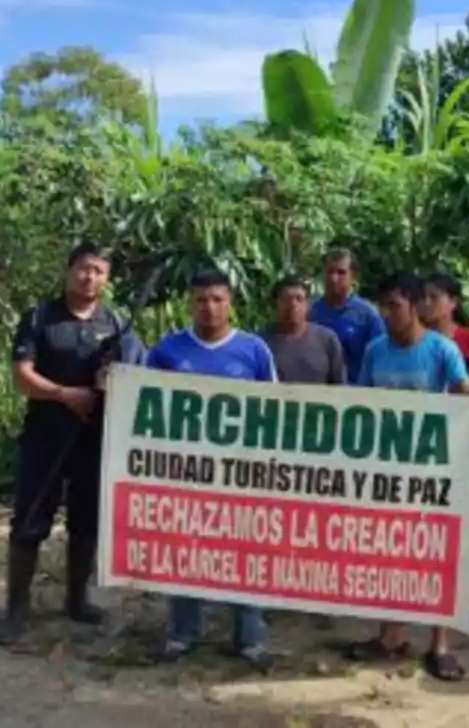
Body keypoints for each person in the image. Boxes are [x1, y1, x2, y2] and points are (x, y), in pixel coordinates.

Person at [0, 241, 147, 646]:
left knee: (86, 523)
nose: (89, 277)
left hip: (93, 442)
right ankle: (16, 612)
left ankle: (77, 601)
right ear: (68, 270)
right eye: (83, 268)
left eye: (98, 270)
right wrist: (64, 394)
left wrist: (111, 379)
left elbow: (134, 377)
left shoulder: (115, 325)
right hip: (45, 438)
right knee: (29, 523)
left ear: (106, 278)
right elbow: (22, 376)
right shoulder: (41, 318)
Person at [343, 271, 469, 682]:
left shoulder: (441, 350)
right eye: (383, 307)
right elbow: (363, 402)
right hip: (389, 474)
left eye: (394, 305)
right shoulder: (375, 351)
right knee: (391, 555)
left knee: (435, 555)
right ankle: (390, 636)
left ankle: (439, 644)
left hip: (433, 474)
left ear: (414, 306)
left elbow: (464, 392)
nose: (387, 314)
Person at [146, 269, 278, 672]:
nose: (209, 307)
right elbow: (143, 401)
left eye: (217, 299)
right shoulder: (168, 350)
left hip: (240, 474)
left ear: (230, 302)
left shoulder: (254, 350)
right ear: (191, 302)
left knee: (243, 550)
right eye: (201, 300)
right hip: (184, 473)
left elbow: (275, 409)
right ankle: (183, 633)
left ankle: (249, 637)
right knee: (184, 549)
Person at [308, 247, 385, 384]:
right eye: (330, 271)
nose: (334, 278)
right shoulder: (311, 313)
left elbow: (380, 358)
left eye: (341, 272)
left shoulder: (368, 315)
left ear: (353, 276)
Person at [262, 273, 347, 385]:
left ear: (307, 305)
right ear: (276, 304)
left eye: (299, 299)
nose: (293, 305)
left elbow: (341, 387)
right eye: (286, 299)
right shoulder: (261, 343)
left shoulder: (327, 340)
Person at [421, 271, 469, 358]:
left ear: (453, 302)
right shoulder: (414, 338)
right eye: (423, 297)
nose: (427, 302)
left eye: (434, 297)